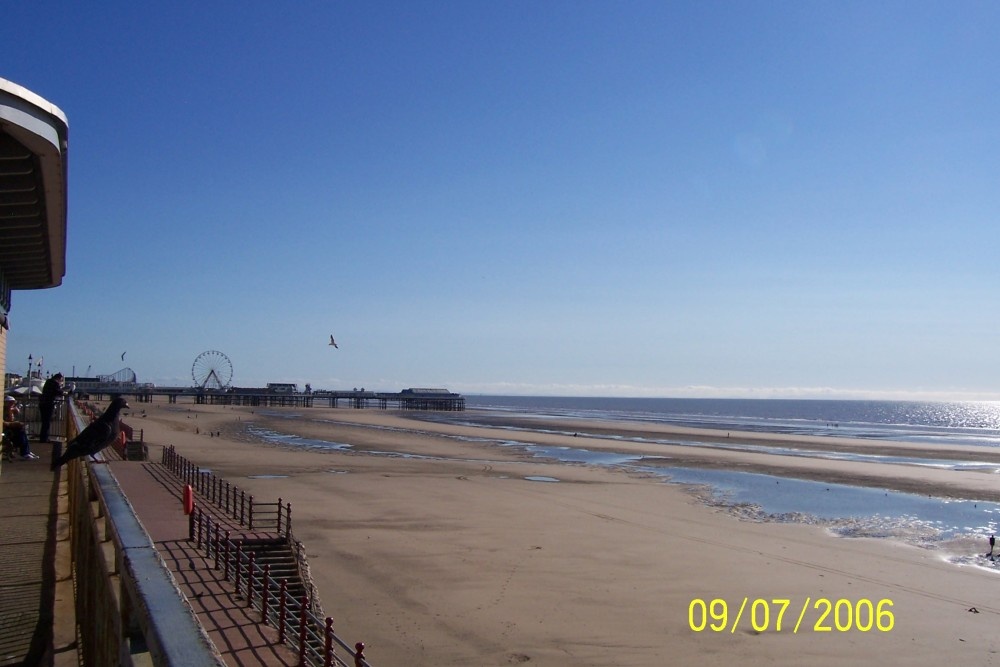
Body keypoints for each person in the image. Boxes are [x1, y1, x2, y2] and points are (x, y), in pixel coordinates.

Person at [38, 372, 65, 443]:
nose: (61, 381)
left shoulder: (48, 382)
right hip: (48, 404)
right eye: (61, 380)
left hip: (42, 403)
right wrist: (65, 392)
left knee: (44, 421)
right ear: (58, 379)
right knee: (47, 422)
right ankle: (44, 438)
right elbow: (58, 392)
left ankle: (43, 437)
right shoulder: (55, 383)